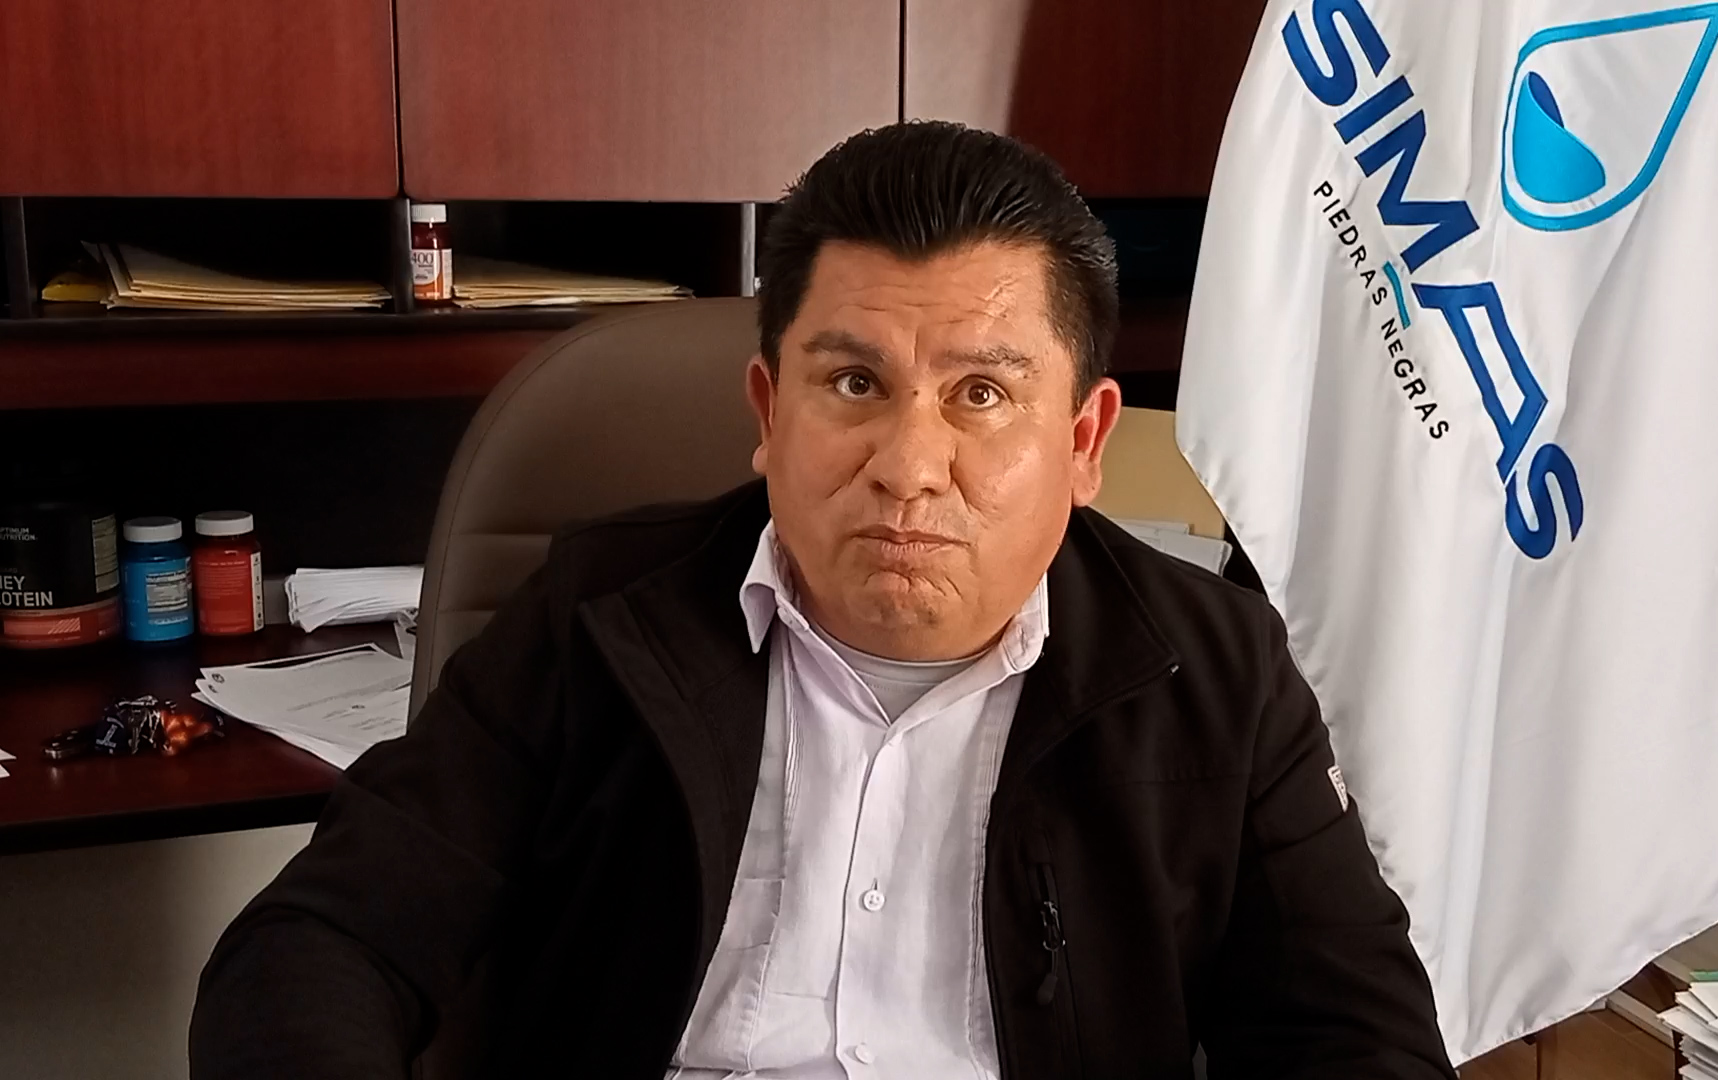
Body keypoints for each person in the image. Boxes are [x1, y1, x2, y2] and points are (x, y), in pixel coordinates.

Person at [190, 121, 1454, 1080]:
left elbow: (1355, 1039)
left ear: (1082, 440)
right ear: (769, 410)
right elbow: (323, 943)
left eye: (981, 395)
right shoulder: (597, 617)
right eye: (854, 385)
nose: (908, 464)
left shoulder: (1219, 674)